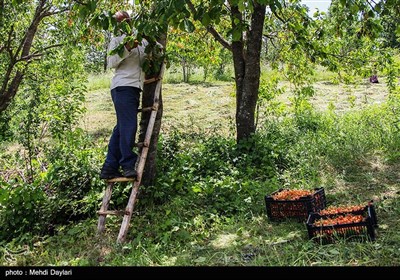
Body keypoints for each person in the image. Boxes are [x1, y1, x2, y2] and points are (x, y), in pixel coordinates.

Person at [100, 11, 148, 179]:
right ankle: (127, 164)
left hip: (134, 88)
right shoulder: (117, 41)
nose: (123, 25)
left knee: (121, 127)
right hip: (122, 87)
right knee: (128, 126)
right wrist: (127, 48)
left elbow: (155, 51)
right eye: (119, 23)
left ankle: (109, 167)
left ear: (131, 21)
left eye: (126, 21)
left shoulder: (141, 40)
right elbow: (111, 62)